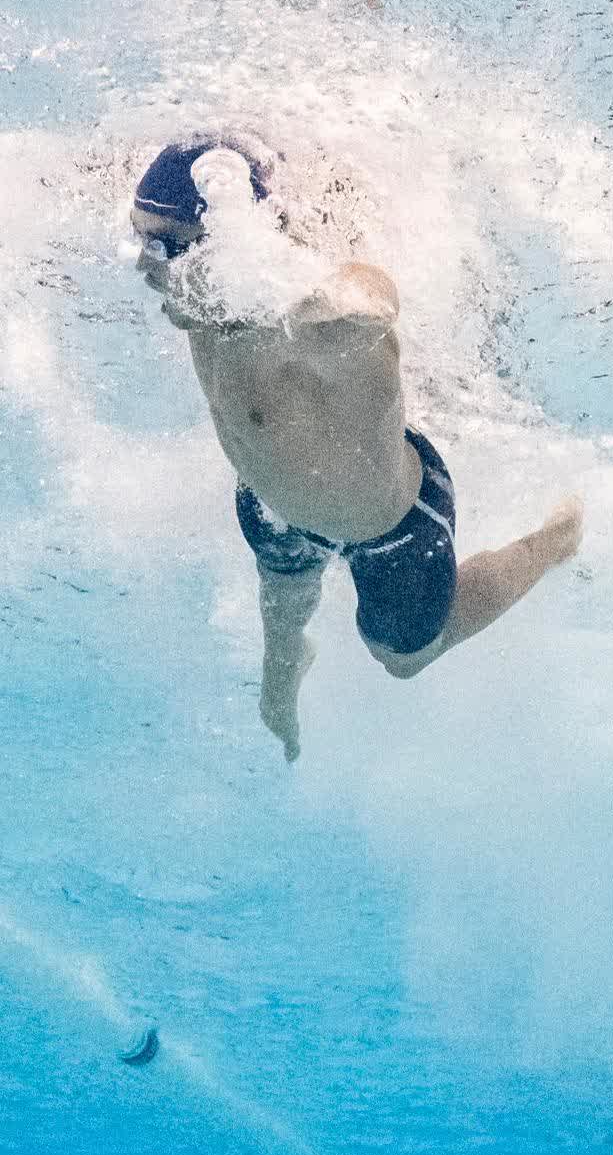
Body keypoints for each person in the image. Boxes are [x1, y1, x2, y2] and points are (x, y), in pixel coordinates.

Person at [130, 132, 584, 762]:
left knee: (404, 657)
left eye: (157, 246)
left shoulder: (310, 309)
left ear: (221, 248)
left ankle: (549, 545)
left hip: (390, 525)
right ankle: (281, 687)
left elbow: (373, 299)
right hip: (271, 507)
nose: (142, 264)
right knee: (284, 621)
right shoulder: (207, 305)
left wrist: (293, 293)